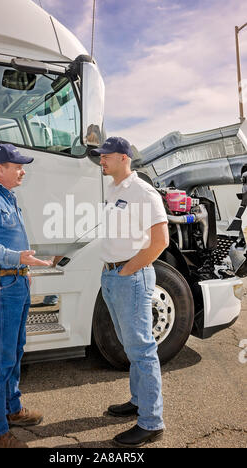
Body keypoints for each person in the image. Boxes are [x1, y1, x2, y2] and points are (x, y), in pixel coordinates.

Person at [0, 143, 52, 448]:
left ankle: (11, 410)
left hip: (16, 284)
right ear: (0, 168)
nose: (22, 171)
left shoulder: (7, 197)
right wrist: (18, 259)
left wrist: (23, 270)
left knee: (15, 351)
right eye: (17, 166)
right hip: (2, 286)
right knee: (1, 359)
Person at [91, 137, 169, 448]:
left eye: (106, 156)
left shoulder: (143, 191)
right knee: (130, 346)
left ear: (124, 158)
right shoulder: (113, 189)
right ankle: (139, 402)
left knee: (141, 349)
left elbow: (160, 241)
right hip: (112, 275)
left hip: (130, 277)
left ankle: (151, 422)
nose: (101, 161)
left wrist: (126, 270)